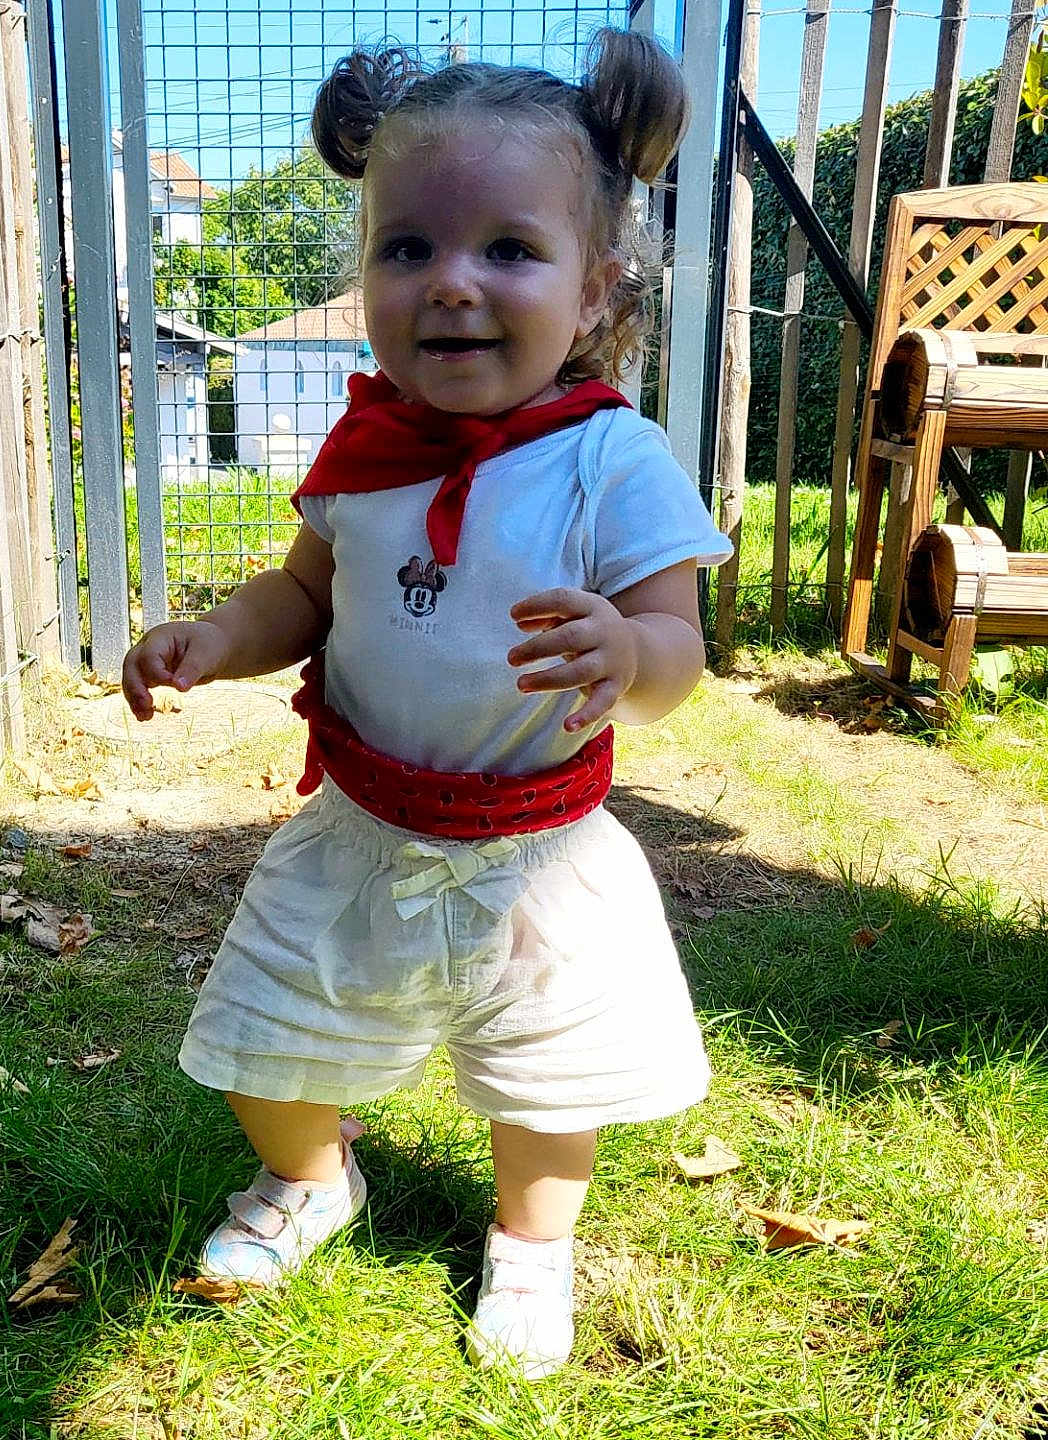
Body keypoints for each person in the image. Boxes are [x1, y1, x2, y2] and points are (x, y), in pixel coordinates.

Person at [121, 29, 732, 1380]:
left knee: (550, 1080)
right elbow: (304, 592)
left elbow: (682, 654)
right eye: (408, 249)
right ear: (368, 277)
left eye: (510, 249)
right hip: (361, 827)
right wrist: (214, 640)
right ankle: (312, 1177)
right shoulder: (365, 451)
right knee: (261, 1036)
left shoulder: (612, 462)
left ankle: (529, 1242)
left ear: (596, 291)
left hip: (539, 851)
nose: (452, 283)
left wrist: (630, 654)